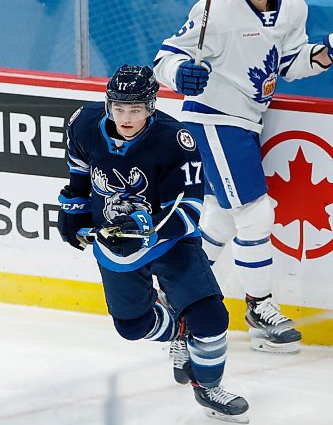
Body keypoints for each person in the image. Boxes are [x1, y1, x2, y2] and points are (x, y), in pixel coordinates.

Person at [153, 0, 333, 354]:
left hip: (248, 121)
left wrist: (325, 54)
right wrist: (181, 75)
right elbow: (165, 57)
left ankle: (176, 295)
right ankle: (259, 305)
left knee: (220, 219)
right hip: (214, 118)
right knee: (256, 212)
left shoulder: (293, 6)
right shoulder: (214, 9)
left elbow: (288, 62)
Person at [57, 64, 249, 423]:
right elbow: (80, 173)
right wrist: (73, 210)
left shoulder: (175, 139)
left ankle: (207, 387)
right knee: (132, 327)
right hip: (116, 246)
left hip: (169, 242)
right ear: (108, 103)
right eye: (119, 108)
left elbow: (190, 208)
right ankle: (178, 327)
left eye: (136, 109)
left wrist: (147, 228)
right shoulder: (84, 123)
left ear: (152, 106)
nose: (126, 117)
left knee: (211, 317)